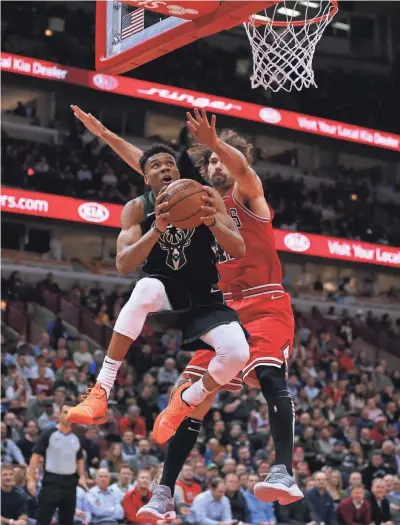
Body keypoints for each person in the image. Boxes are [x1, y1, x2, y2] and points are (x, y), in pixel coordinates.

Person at [139, 111, 300, 516]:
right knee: (192, 399)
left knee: (267, 373)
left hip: (265, 301)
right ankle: (163, 494)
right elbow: (149, 176)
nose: (215, 164)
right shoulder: (196, 209)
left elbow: (243, 168)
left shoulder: (249, 196)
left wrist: (216, 143)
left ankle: (283, 470)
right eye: (209, 161)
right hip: (224, 312)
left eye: (221, 158)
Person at [67, 106, 249, 433]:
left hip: (205, 297)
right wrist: (156, 230)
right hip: (167, 295)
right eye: (156, 165)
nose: (165, 168)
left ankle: (187, 399)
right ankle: (101, 391)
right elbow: (124, 265)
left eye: (170, 164)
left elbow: (238, 249)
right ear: (146, 176)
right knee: (146, 287)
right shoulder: (137, 208)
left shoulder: (204, 196)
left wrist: (212, 223)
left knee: (237, 353)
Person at [27, 402, 88, 525]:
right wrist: (31, 479)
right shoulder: (48, 433)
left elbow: (80, 458)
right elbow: (35, 456)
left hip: (70, 483)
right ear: (59, 415)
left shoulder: (76, 438)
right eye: (65, 412)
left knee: (67, 520)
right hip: (51, 481)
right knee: (44, 519)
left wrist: (81, 476)